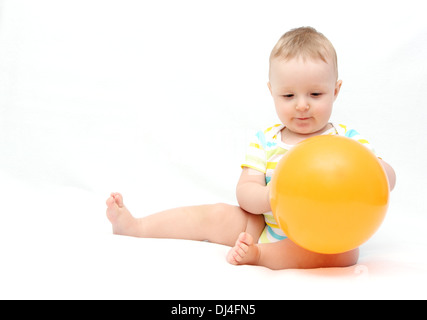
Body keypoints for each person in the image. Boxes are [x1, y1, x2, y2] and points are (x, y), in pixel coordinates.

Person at [106, 27, 396, 270]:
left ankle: (261, 256)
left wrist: (376, 170)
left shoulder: (347, 141)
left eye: (316, 93)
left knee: (344, 254)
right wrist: (273, 196)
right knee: (215, 214)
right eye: (288, 95)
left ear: (336, 90)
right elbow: (246, 192)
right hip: (264, 224)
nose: (302, 104)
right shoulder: (267, 140)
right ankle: (137, 227)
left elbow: (387, 178)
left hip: (322, 237)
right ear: (272, 92)